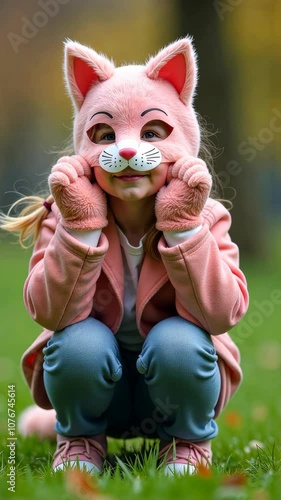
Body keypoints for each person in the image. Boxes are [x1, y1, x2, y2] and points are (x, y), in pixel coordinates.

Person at [0, 37, 249, 476]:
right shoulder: (66, 216)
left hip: (172, 391)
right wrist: (82, 227)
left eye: (152, 132)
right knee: (76, 344)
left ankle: (186, 446)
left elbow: (222, 314)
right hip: (100, 390)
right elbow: (49, 313)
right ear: (85, 147)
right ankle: (79, 439)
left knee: (180, 342)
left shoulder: (206, 217)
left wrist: (184, 227)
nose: (128, 150)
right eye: (106, 135)